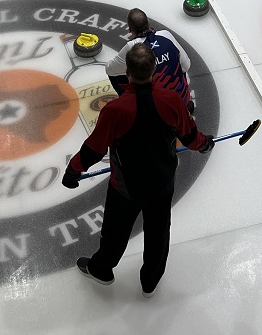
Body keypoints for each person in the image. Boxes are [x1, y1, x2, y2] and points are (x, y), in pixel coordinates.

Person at [62, 42, 214, 295]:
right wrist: (205, 144)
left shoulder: (115, 110)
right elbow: (190, 136)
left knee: (115, 232)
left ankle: (101, 268)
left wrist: (73, 170)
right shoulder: (172, 101)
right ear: (153, 70)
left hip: (125, 188)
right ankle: (150, 280)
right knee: (158, 232)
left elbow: (94, 148)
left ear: (127, 72)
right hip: (162, 183)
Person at [104, 9, 193, 110]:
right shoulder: (166, 35)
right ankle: (183, 103)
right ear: (148, 23)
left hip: (157, 109)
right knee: (177, 63)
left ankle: (134, 107)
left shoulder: (132, 47)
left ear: (130, 29)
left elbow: (109, 69)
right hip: (179, 100)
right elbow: (186, 65)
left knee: (116, 74)